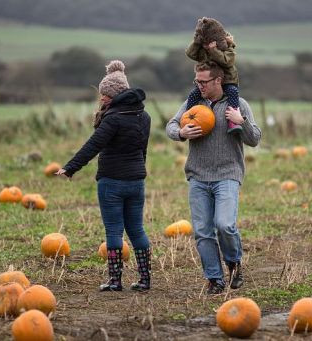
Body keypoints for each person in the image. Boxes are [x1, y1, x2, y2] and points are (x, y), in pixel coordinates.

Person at [56, 60, 152, 292]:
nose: (101, 98)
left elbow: (93, 145)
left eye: (104, 94)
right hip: (136, 181)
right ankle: (145, 279)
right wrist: (138, 170)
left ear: (115, 94)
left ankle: (115, 280)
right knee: (137, 229)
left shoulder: (113, 118)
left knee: (113, 231)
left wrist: (70, 168)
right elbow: (143, 150)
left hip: (112, 182)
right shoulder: (144, 117)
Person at [166, 61, 261, 294]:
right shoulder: (193, 104)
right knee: (202, 231)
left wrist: (242, 122)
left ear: (218, 80)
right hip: (198, 176)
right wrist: (181, 133)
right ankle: (214, 279)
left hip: (228, 175)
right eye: (196, 81)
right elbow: (171, 125)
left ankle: (234, 262)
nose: (199, 86)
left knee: (225, 225)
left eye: (203, 82)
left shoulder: (238, 105)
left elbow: (255, 138)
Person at [185, 17, 241, 134]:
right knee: (193, 94)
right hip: (208, 81)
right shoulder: (202, 51)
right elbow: (190, 54)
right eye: (204, 44)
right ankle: (188, 118)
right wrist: (197, 42)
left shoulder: (229, 50)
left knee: (232, 92)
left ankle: (233, 121)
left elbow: (226, 61)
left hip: (228, 81)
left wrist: (214, 50)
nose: (206, 46)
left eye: (209, 43)